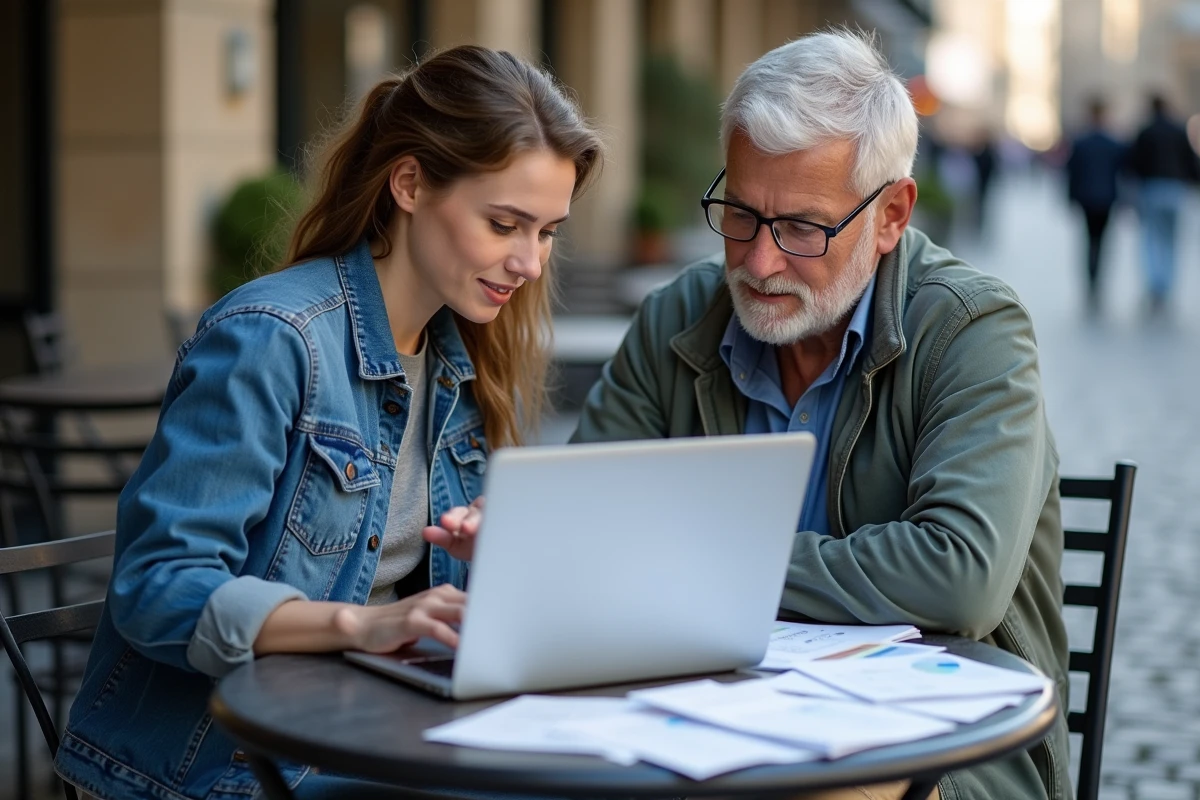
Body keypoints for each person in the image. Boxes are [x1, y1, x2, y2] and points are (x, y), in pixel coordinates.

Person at [434, 30, 1069, 800]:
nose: (760, 263)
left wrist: (692, 566)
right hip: (700, 721)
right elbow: (585, 528)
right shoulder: (680, 318)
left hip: (938, 753)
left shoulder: (971, 330)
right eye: (740, 214)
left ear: (893, 214)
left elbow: (957, 577)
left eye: (803, 228)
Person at [53, 45, 602, 800]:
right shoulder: (273, 340)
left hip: (371, 730)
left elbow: (436, 605)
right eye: (504, 223)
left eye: (546, 232)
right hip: (222, 764)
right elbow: (158, 586)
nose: (530, 263)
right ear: (409, 183)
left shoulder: (462, 354)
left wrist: (500, 549)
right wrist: (359, 626)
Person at [1128, 93, 1200, 312]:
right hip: (1175, 190)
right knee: (1171, 241)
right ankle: (1166, 287)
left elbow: (1134, 162)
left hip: (1151, 189)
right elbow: (1191, 161)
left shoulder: (1146, 130)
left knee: (1151, 239)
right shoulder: (1179, 130)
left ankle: (1155, 285)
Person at [1066, 97, 1127, 312]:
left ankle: (1092, 279)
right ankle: (1097, 279)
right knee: (1101, 241)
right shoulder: (1114, 142)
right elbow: (1124, 173)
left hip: (1086, 199)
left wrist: (1070, 198)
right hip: (1107, 199)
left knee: (1089, 240)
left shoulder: (1081, 142)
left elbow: (1071, 173)